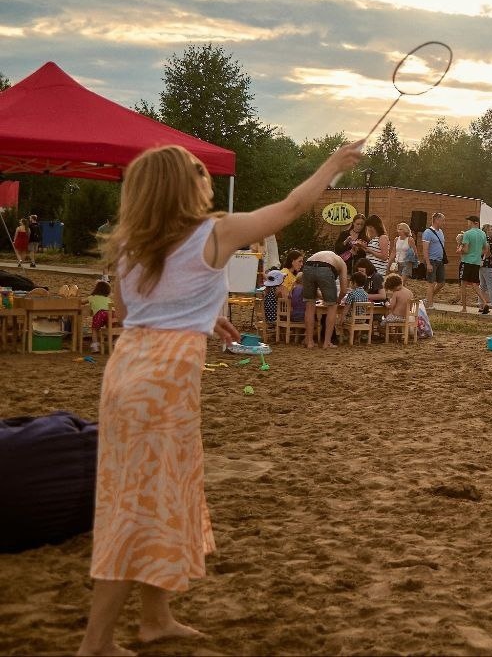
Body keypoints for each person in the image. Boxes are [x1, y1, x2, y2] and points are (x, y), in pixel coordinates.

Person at [78, 139, 362, 657]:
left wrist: (203, 315)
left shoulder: (129, 244)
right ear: (183, 187)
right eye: (198, 173)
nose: (207, 180)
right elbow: (293, 207)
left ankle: (155, 618)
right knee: (139, 508)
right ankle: (96, 643)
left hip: (127, 371)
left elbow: (131, 309)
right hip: (164, 382)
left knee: (160, 494)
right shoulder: (216, 230)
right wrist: (334, 164)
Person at [303, 248, 350, 349]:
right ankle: (327, 343)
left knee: (309, 305)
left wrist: (323, 296)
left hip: (308, 265)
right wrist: (337, 299)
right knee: (332, 306)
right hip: (325, 267)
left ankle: (310, 342)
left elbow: (314, 292)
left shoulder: (325, 255)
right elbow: (344, 290)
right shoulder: (342, 264)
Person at [420, 212, 448, 309]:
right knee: (431, 282)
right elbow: (425, 249)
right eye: (442, 220)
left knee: (441, 282)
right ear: (436, 220)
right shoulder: (427, 232)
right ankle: (429, 304)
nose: (443, 223)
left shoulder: (440, 232)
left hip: (439, 260)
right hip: (431, 260)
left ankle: (428, 298)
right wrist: (428, 263)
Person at [459, 215, 486, 314]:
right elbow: (485, 249)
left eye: (469, 222)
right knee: (475, 284)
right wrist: (478, 254)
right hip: (476, 262)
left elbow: (465, 250)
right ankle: (485, 302)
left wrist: (460, 250)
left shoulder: (467, 233)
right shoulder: (483, 234)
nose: (468, 223)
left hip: (466, 261)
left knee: (463, 284)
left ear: (474, 222)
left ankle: (464, 308)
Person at [85, 280, 113, 353]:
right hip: (110, 314)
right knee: (110, 327)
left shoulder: (92, 297)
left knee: (95, 329)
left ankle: (95, 347)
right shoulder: (108, 299)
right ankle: (114, 342)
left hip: (100, 314)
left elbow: (81, 301)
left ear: (96, 289)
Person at [478, 223, 492, 314]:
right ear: (486, 230)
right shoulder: (488, 240)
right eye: (490, 230)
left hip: (481, 265)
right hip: (488, 264)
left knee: (482, 286)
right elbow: (489, 251)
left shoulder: (480, 239)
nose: (491, 231)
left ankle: (481, 305)